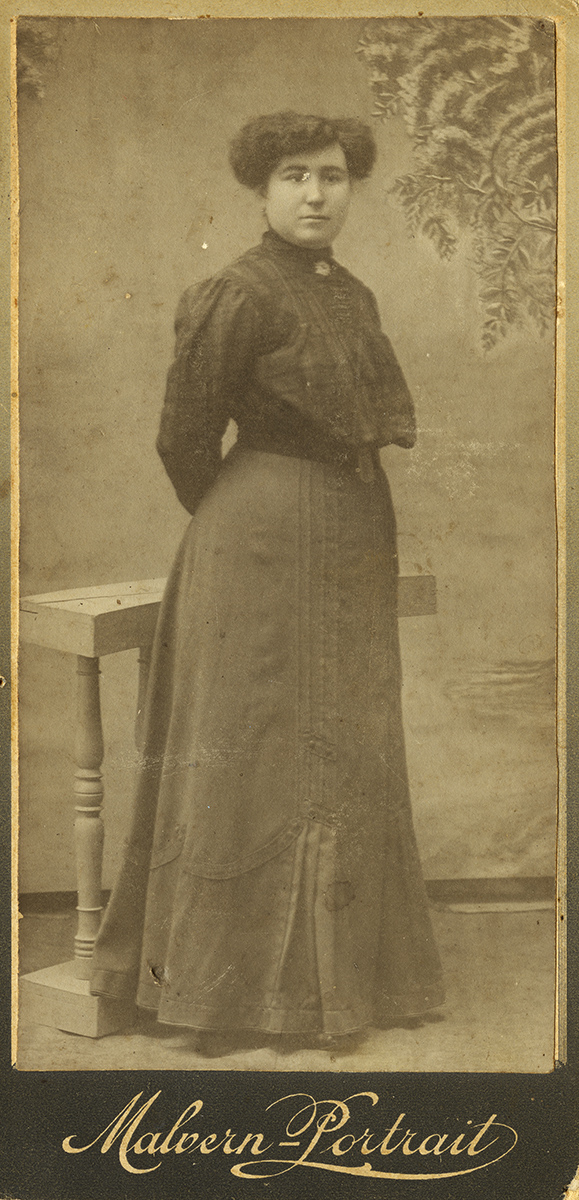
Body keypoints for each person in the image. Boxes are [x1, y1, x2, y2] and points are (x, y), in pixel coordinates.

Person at [91, 112, 444, 1053]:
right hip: (259, 542)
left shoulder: (352, 294)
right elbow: (183, 437)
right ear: (261, 188)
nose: (315, 195)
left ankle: (342, 986)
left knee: (347, 740)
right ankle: (226, 994)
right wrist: (243, 522)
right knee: (251, 739)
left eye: (331, 176)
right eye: (294, 175)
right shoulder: (236, 292)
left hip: (354, 534)